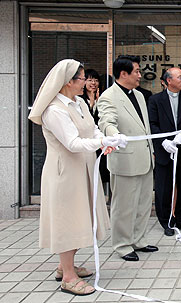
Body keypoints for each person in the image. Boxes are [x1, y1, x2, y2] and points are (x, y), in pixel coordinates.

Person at [28, 59, 120, 296]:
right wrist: (100, 143)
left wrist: (104, 140)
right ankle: (68, 277)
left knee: (82, 218)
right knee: (68, 221)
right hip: (64, 174)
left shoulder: (78, 102)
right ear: (69, 81)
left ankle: (64, 267)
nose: (86, 83)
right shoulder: (55, 110)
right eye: (82, 79)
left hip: (83, 168)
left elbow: (91, 128)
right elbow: (71, 142)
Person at [97, 55, 158, 261]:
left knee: (143, 204)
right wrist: (114, 136)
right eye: (137, 71)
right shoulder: (108, 96)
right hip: (124, 160)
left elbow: (144, 127)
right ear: (123, 74)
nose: (140, 75)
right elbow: (106, 121)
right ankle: (122, 245)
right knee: (124, 206)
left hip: (145, 159)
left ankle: (138, 240)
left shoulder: (139, 96)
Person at [148, 67, 181, 236]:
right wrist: (163, 142)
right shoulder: (155, 100)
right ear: (168, 80)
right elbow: (152, 124)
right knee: (164, 188)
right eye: (180, 77)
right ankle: (167, 222)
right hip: (164, 151)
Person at [80, 69, 111, 189]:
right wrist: (92, 103)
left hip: (101, 140)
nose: (93, 83)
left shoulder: (103, 98)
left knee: (102, 172)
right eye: (90, 80)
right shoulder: (80, 100)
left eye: (96, 80)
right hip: (87, 141)